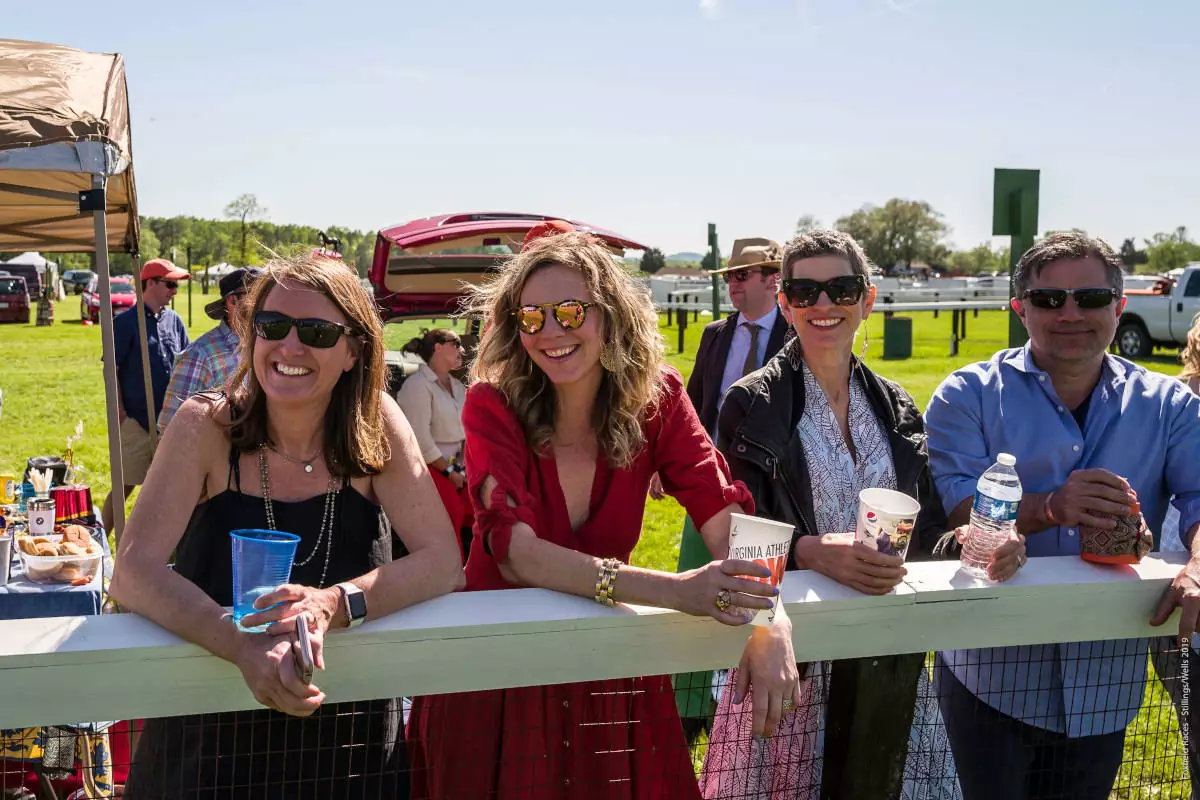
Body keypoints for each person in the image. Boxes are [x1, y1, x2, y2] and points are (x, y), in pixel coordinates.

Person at [406, 231, 798, 799]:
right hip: (497, 676)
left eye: (569, 311)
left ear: (611, 315)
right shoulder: (492, 403)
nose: (551, 332)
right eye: (532, 317)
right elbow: (513, 553)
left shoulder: (658, 397)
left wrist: (774, 618)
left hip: (609, 667)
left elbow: (727, 512)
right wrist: (674, 590)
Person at [109, 253, 464, 799]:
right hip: (208, 741)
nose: (290, 347)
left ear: (352, 351)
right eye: (272, 326)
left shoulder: (378, 423)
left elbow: (443, 562)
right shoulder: (204, 424)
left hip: (351, 742)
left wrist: (334, 603)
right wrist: (242, 647)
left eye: (317, 331)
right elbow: (132, 572)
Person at [700, 230, 1020, 799]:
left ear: (867, 299)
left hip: (884, 658)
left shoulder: (895, 405)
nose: (823, 305)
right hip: (791, 664)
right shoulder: (750, 403)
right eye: (804, 291)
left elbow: (922, 537)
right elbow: (739, 533)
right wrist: (806, 549)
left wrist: (969, 541)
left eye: (841, 288)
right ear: (785, 304)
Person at [925, 232, 1200, 800]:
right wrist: (1051, 507)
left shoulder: (1170, 405)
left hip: (1107, 680)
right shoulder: (966, 395)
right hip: (988, 675)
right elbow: (959, 511)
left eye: (1091, 298)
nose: (1071, 313)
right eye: (1049, 300)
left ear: (1120, 306)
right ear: (1019, 308)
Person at [668, 237, 792, 736]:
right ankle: (692, 706)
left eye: (743, 275)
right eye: (730, 277)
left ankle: (754, 707)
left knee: (760, 595)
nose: (734, 285)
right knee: (696, 589)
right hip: (710, 488)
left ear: (772, 279)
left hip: (768, 492)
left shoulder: (796, 332)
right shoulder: (716, 335)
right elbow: (694, 406)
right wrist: (668, 464)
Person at [102, 258, 190, 536]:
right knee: (124, 486)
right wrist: (120, 412)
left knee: (166, 489)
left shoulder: (174, 321)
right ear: (150, 283)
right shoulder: (125, 322)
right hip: (136, 421)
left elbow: (186, 364)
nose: (174, 291)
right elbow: (111, 369)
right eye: (170, 284)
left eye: (176, 286)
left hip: (170, 422)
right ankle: (101, 541)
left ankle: (159, 548)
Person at [158, 266, 263, 434]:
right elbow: (171, 428)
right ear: (232, 301)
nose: (264, 303)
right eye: (255, 295)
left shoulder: (268, 346)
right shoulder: (199, 355)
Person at [395, 328, 471, 558]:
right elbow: (419, 437)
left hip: (460, 467)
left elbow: (468, 431)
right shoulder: (417, 385)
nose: (462, 350)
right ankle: (452, 573)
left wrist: (463, 466)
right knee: (453, 513)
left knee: (482, 506)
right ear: (438, 347)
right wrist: (449, 471)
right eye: (456, 343)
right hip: (427, 468)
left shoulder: (458, 387)